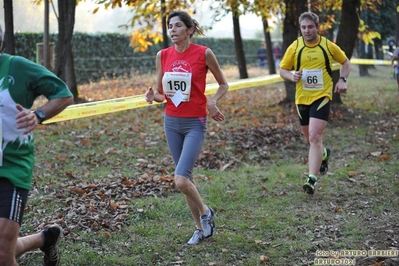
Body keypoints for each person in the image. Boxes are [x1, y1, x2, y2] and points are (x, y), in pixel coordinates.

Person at [145, 11, 229, 245]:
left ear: (190, 30)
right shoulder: (162, 55)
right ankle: (199, 229)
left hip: (195, 122)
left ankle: (205, 213)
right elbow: (163, 95)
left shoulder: (204, 53)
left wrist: (212, 102)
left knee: (181, 180)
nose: (172, 30)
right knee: (187, 179)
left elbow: (224, 84)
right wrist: (153, 96)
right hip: (171, 122)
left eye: (178, 26)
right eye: (170, 26)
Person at [0, 24, 73, 266]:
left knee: (2, 251)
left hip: (10, 168)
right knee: (4, 245)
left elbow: (63, 94)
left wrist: (38, 115)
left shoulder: (17, 67)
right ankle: (46, 239)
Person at [279, 12, 350, 195]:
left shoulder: (327, 46)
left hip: (322, 96)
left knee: (315, 136)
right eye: (303, 27)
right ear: (300, 29)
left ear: (317, 27)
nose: (307, 31)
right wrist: (291, 76)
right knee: (310, 140)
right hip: (302, 99)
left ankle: (311, 179)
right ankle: (324, 154)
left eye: (310, 27)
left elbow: (345, 62)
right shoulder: (295, 47)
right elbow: (283, 69)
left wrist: (342, 79)